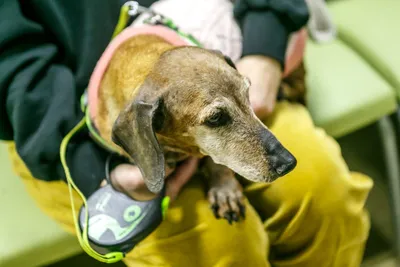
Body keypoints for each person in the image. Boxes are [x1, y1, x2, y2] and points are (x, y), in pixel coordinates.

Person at [0, 0, 373, 266]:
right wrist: (94, 166)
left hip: (210, 76)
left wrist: (264, 47)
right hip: (61, 122)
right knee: (219, 249)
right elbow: (12, 63)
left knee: (323, 196)